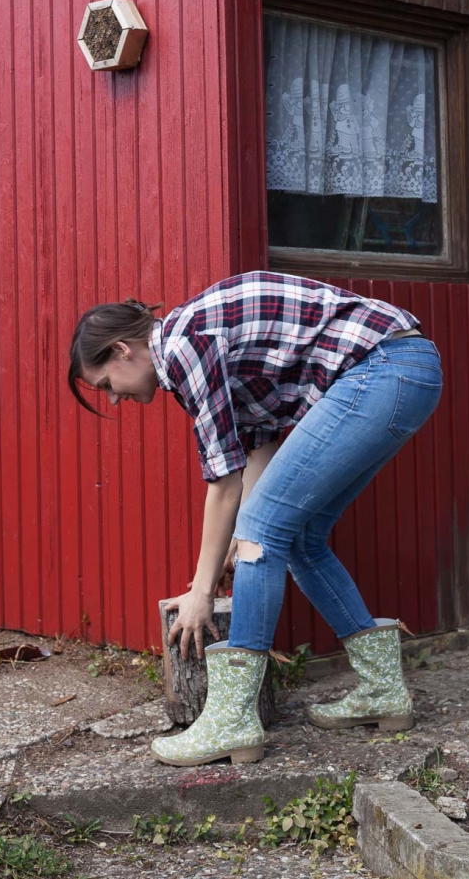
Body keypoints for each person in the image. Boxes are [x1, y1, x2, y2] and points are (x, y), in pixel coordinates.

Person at [68, 270, 442, 768]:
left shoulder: (183, 345)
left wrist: (202, 590)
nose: (114, 398)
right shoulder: (192, 344)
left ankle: (232, 720)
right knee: (299, 536)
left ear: (122, 350)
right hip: (405, 371)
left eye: (106, 385)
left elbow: (224, 483)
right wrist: (227, 553)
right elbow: (258, 448)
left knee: (263, 532)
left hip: (381, 369)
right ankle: (382, 693)